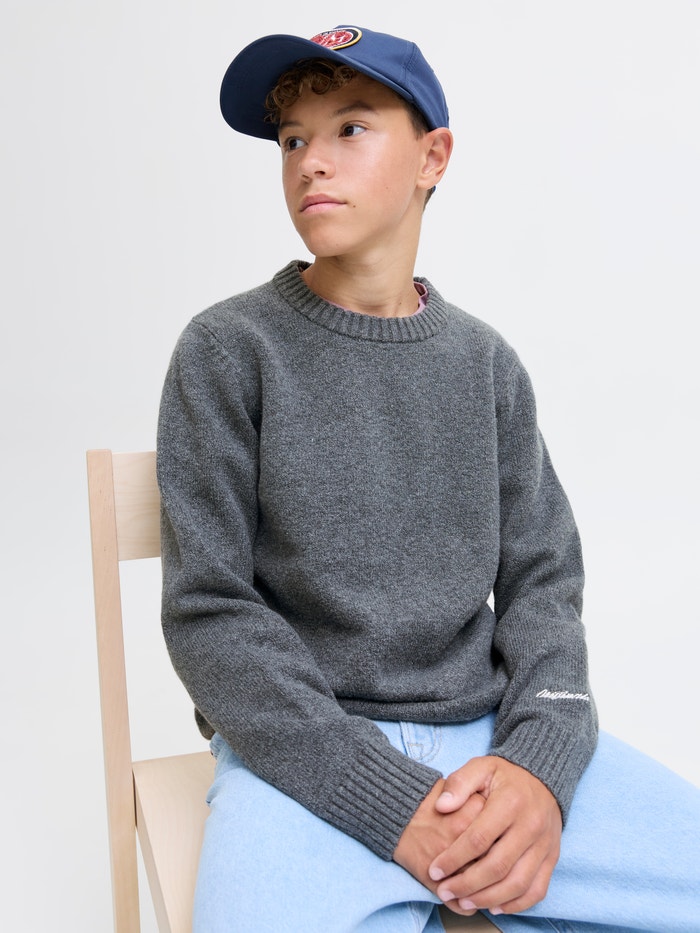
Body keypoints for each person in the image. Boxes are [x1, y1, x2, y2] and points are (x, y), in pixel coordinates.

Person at [156, 24, 700, 933]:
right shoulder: (226, 350)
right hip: (303, 752)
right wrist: (385, 799)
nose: (310, 161)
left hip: (488, 738)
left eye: (350, 128)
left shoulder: (485, 364)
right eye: (292, 139)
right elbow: (209, 612)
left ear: (432, 157)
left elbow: (544, 583)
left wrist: (539, 764)